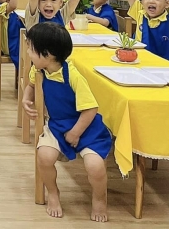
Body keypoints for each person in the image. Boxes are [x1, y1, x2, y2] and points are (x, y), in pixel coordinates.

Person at [22, 23, 112, 222]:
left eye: (31, 49)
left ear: (47, 54)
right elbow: (31, 85)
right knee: (44, 156)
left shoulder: (73, 75)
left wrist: (75, 133)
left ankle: (99, 199)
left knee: (95, 165)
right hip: (57, 126)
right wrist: (26, 99)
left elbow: (91, 109)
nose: (28, 53)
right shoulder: (39, 71)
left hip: (86, 128)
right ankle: (53, 193)